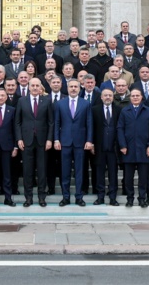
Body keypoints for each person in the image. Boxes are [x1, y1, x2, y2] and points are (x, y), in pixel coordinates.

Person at [54, 80, 93, 207]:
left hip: (80, 142)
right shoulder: (60, 104)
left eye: (76, 86)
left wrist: (89, 140)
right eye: (71, 86)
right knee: (64, 171)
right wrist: (56, 139)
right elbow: (57, 123)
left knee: (79, 171)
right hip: (64, 142)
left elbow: (89, 124)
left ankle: (79, 197)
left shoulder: (86, 104)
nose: (73, 89)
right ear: (67, 88)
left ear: (79, 88)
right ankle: (65, 197)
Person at [15, 79, 53, 208]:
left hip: (42, 141)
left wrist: (49, 139)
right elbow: (17, 122)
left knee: (42, 170)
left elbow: (50, 122)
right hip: (26, 141)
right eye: (33, 85)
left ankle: (42, 197)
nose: (35, 87)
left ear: (40, 87)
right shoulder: (21, 101)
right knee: (27, 171)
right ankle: (29, 198)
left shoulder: (47, 101)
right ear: (29, 87)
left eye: (37, 85)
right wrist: (19, 139)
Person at [118, 87, 149, 207]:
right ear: (130, 98)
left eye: (137, 95)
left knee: (143, 177)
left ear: (141, 97)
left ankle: (142, 198)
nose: (135, 97)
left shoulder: (148, 111)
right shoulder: (125, 111)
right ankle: (130, 199)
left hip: (143, 149)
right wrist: (123, 145)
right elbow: (120, 129)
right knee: (128, 177)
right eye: (133, 96)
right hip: (128, 149)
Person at [90, 88, 121, 206]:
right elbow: (91, 127)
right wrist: (91, 143)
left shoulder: (118, 110)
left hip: (113, 148)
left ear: (113, 97)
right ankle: (100, 196)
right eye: (105, 95)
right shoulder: (94, 110)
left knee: (113, 173)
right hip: (99, 147)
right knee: (99, 173)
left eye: (110, 95)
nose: (108, 97)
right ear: (101, 97)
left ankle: (113, 197)